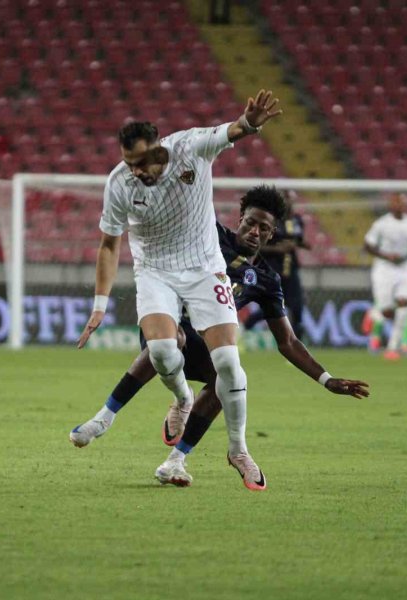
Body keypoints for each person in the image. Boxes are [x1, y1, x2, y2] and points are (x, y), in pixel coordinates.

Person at [71, 186, 369, 488]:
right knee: (173, 340)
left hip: (206, 343)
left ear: (271, 234)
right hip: (166, 325)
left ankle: (176, 460)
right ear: (240, 220)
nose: (254, 231)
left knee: (225, 377)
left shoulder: (266, 280)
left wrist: (326, 380)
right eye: (250, 223)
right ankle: (110, 416)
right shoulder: (210, 235)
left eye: (263, 228)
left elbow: (287, 341)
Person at [76, 90, 284, 490]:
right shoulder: (119, 184)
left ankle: (238, 449)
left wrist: (250, 123)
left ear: (159, 147)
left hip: (205, 267)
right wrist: (99, 305)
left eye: (142, 161)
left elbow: (233, 130)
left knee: (228, 362)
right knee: (160, 351)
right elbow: (109, 245)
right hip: (155, 271)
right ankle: (183, 397)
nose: (136, 171)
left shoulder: (191, 147)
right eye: (129, 163)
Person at [362, 193, 407, 360]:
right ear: (391, 205)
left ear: (405, 205)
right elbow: (367, 246)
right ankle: (373, 314)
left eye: (401, 202)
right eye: (395, 203)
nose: (398, 205)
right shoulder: (381, 224)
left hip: (404, 269)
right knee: (387, 311)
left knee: (404, 306)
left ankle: (392, 348)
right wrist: (385, 256)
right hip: (384, 269)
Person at [247, 191, 308, 338]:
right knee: (271, 306)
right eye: (286, 199)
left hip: (291, 269)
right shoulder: (270, 220)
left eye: (291, 199)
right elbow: (257, 245)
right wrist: (278, 249)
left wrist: (303, 245)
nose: (289, 202)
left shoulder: (296, 220)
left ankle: (298, 343)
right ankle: (246, 327)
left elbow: (298, 240)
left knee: (297, 306)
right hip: (273, 269)